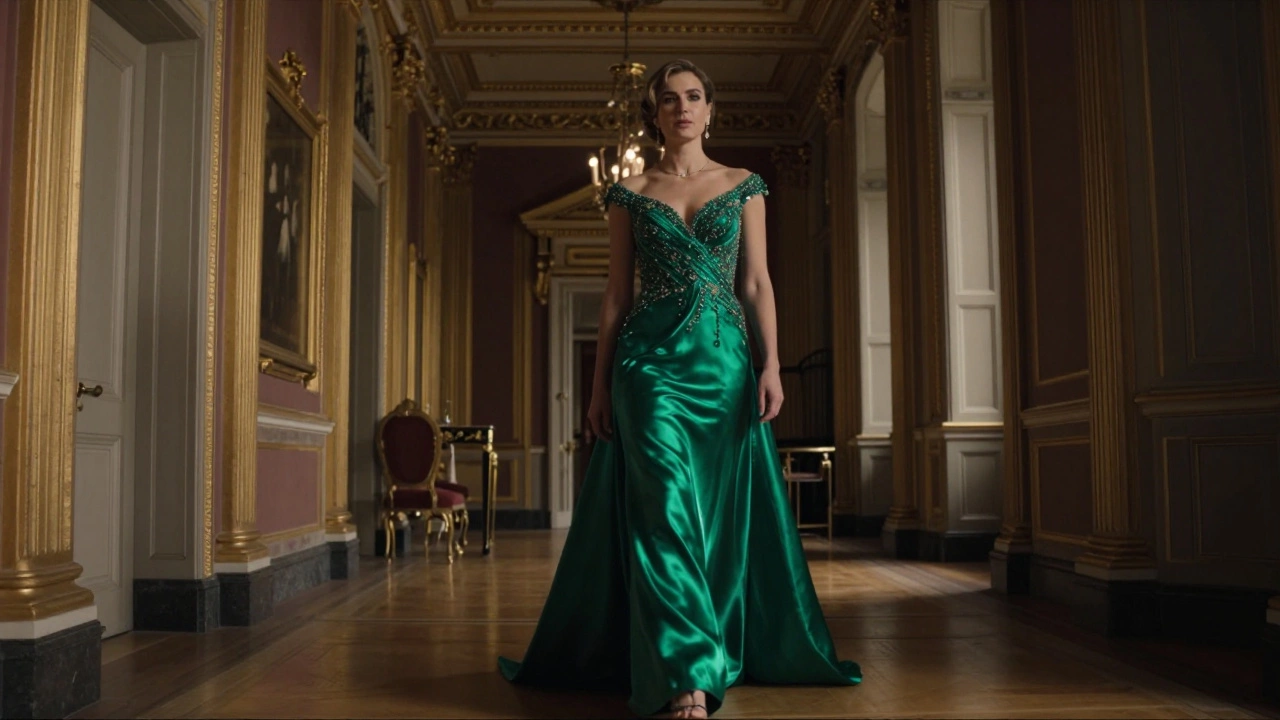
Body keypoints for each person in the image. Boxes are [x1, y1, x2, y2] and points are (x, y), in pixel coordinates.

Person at [499, 59, 861, 719]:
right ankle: (685, 676)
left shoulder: (744, 185)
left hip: (724, 368)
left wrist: (771, 363)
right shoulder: (629, 192)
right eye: (668, 100)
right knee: (662, 508)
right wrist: (600, 385)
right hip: (647, 369)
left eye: (693, 96)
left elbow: (755, 281)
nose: (682, 107)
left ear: (710, 109)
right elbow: (615, 297)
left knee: (713, 518)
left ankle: (705, 647)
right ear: (655, 114)